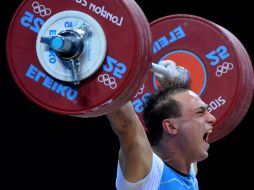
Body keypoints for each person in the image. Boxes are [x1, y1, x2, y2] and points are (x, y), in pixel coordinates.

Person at [106, 60, 216, 190]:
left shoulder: (187, 165)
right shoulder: (148, 174)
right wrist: (101, 67)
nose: (212, 118)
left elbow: (186, 111)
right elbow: (126, 124)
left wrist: (176, 86)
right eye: (200, 113)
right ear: (171, 127)